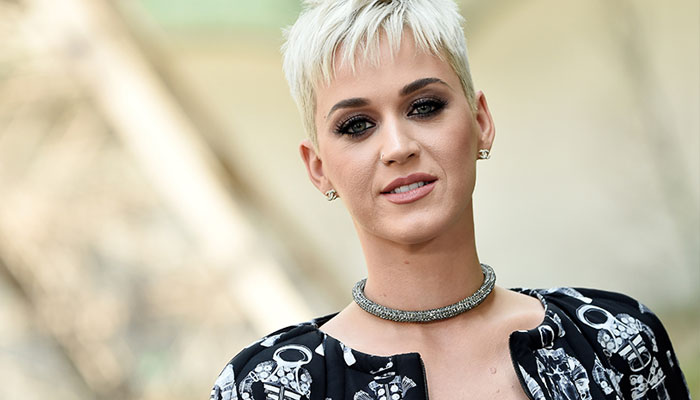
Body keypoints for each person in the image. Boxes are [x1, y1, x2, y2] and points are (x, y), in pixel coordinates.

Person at [210, 1, 690, 398]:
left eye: (425, 107)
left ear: (481, 122)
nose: (398, 147)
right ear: (318, 167)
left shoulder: (616, 341)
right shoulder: (269, 387)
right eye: (357, 125)